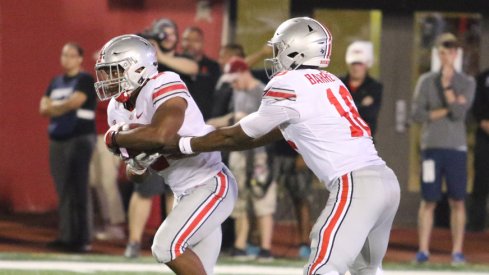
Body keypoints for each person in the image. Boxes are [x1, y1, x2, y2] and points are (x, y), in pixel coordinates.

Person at [164, 17, 401, 275]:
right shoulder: (331, 81)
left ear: (297, 49)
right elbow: (274, 131)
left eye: (279, 48)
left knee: (321, 269)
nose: (276, 56)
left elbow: (239, 135)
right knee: (366, 270)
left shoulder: (289, 82)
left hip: (355, 185)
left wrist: (187, 144)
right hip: (385, 182)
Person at [95, 34, 237, 275]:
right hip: (184, 193)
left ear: (138, 68)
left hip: (211, 184)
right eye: (106, 71)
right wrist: (138, 165)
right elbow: (136, 175)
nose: (108, 78)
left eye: (114, 70)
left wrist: (116, 138)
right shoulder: (116, 109)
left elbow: (162, 135)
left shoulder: (163, 82)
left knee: (166, 247)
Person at [411, 33, 475, 264]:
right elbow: (417, 114)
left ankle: (457, 251)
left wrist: (447, 86)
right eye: (441, 52)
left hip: (456, 149)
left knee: (457, 200)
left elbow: (460, 114)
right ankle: (423, 250)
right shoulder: (425, 81)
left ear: (456, 54)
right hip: (431, 148)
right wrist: (448, 107)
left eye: (449, 52)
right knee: (428, 200)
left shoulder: (467, 82)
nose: (445, 56)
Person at [207, 57, 275, 261]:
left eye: (235, 79)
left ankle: (265, 248)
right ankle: (240, 244)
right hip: (240, 152)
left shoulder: (262, 91)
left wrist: (247, 118)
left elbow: (272, 123)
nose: (233, 84)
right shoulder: (237, 90)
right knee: (240, 199)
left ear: (244, 72)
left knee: (262, 197)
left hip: (260, 153)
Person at [39, 42, 97, 252]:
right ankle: (66, 236)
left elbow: (76, 102)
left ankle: (83, 238)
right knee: (63, 189)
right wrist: (58, 107)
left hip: (80, 138)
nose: (67, 59)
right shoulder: (55, 82)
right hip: (57, 139)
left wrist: (55, 107)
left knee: (79, 189)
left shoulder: (85, 80)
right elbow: (42, 108)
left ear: (80, 59)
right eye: (64, 55)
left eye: (72, 55)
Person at [267, 139, 314, 259]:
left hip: (297, 155)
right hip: (275, 154)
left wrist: (304, 154)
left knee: (302, 200)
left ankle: (304, 244)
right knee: (266, 199)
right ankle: (260, 243)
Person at [90, 99, 126, 241]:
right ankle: (107, 221)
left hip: (109, 136)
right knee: (96, 181)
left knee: (107, 181)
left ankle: (116, 225)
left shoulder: (116, 88)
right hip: (93, 135)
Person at [339, 41, 383, 136]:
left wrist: (346, 106)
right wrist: (361, 105)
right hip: (340, 135)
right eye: (353, 64)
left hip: (364, 137)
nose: (356, 68)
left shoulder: (374, 87)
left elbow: (370, 113)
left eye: (360, 64)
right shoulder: (338, 83)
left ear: (367, 65)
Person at [181, 26, 221, 120]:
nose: (189, 44)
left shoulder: (213, 67)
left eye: (195, 40)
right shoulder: (172, 65)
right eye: (186, 40)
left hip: (205, 120)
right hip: (179, 119)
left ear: (203, 43)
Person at [467, 67, 489, 232]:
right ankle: (476, 226)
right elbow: (477, 107)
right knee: (481, 180)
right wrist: (483, 122)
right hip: (484, 138)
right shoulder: (482, 78)